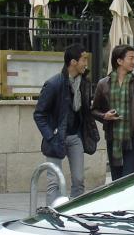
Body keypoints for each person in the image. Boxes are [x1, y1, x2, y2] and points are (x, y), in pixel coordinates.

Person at [34, 44, 107, 204]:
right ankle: (53, 214)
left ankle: (75, 214)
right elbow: (39, 114)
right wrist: (50, 134)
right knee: (54, 181)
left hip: (75, 136)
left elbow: (85, 110)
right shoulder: (54, 84)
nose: (86, 63)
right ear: (73, 62)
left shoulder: (84, 83)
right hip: (56, 138)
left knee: (79, 180)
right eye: (84, 59)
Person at [93, 44, 134, 180]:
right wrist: (105, 116)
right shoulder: (103, 84)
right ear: (119, 61)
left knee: (129, 179)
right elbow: (94, 110)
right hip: (113, 138)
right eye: (131, 58)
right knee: (117, 180)